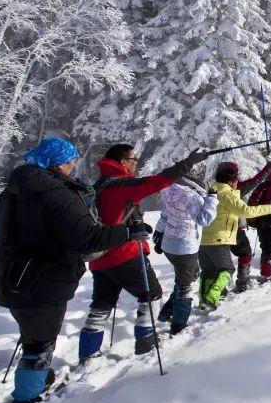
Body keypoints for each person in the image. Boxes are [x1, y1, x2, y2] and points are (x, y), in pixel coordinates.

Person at [0, 138, 141, 403]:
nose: (74, 165)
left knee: (33, 337)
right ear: (59, 163)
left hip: (14, 275)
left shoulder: (15, 190)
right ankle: (27, 399)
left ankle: (39, 380)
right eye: (71, 160)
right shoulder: (56, 193)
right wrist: (128, 232)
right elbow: (88, 238)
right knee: (40, 342)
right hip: (44, 278)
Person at [79, 144, 207, 365]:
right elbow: (156, 182)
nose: (136, 162)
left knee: (101, 304)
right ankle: (146, 342)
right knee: (152, 294)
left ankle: (88, 354)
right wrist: (188, 163)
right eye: (132, 159)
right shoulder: (122, 183)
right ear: (122, 162)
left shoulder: (99, 185)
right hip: (125, 253)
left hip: (100, 257)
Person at [198, 162, 271, 309]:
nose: (237, 183)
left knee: (208, 272)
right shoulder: (228, 195)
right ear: (231, 180)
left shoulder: (211, 191)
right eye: (236, 180)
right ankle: (213, 295)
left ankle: (203, 301)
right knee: (227, 269)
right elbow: (247, 211)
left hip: (203, 240)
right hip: (219, 239)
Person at [156, 172, 218, 334]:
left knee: (185, 278)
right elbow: (204, 219)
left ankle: (167, 312)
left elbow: (164, 216)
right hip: (185, 247)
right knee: (186, 286)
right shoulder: (192, 197)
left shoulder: (169, 192)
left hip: (169, 245)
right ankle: (179, 325)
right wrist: (211, 198)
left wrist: (158, 234)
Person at [230, 163, 271, 292]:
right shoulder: (235, 189)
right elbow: (256, 180)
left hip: (213, 232)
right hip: (233, 229)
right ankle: (242, 282)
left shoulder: (214, 189)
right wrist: (269, 167)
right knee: (245, 252)